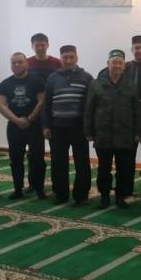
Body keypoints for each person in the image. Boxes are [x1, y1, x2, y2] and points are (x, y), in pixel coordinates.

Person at [84, 49, 141, 210]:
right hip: (103, 135)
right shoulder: (96, 84)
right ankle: (104, 196)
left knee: (124, 169)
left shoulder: (131, 85)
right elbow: (89, 109)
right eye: (114, 62)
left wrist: (138, 132)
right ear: (107, 64)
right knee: (104, 169)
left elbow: (137, 111)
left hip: (125, 134)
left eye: (120, 63)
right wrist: (88, 131)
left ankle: (121, 197)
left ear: (124, 66)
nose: (117, 66)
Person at [43, 45, 93, 206]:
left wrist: (90, 128)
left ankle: (81, 195)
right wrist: (46, 126)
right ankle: (61, 193)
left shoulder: (87, 77)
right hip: (57, 127)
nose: (69, 60)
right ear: (61, 59)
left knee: (82, 163)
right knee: (58, 162)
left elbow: (91, 105)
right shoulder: (52, 78)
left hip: (79, 128)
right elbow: (46, 104)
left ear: (77, 58)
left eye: (71, 57)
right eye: (65, 57)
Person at [0, 52, 47, 200]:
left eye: (20, 62)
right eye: (14, 63)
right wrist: (17, 120)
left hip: (35, 125)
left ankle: (39, 189)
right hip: (14, 127)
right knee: (16, 160)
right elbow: (1, 105)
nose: (16, 65)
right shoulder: (5, 84)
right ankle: (18, 189)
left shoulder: (37, 81)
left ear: (27, 63)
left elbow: (42, 102)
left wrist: (29, 119)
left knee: (38, 159)